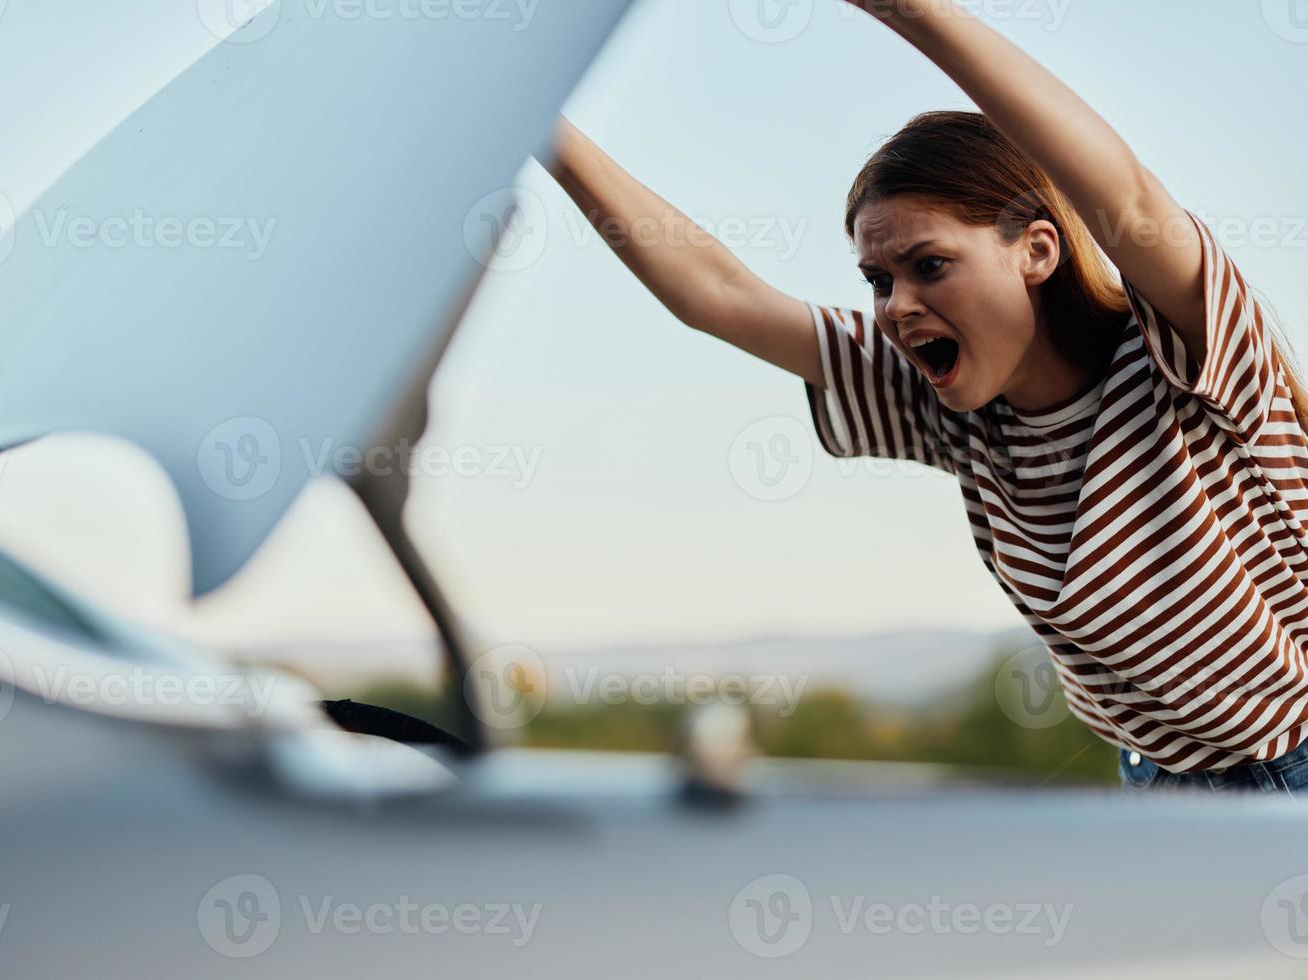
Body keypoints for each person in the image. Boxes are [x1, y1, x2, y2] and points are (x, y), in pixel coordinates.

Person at [540, 0, 1308, 794]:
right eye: (878, 279)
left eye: (928, 265)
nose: (895, 306)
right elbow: (716, 293)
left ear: (1036, 250)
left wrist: (909, 12)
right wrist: (539, 129)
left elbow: (1132, 204)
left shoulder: (1186, 354)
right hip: (1161, 788)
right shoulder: (949, 407)